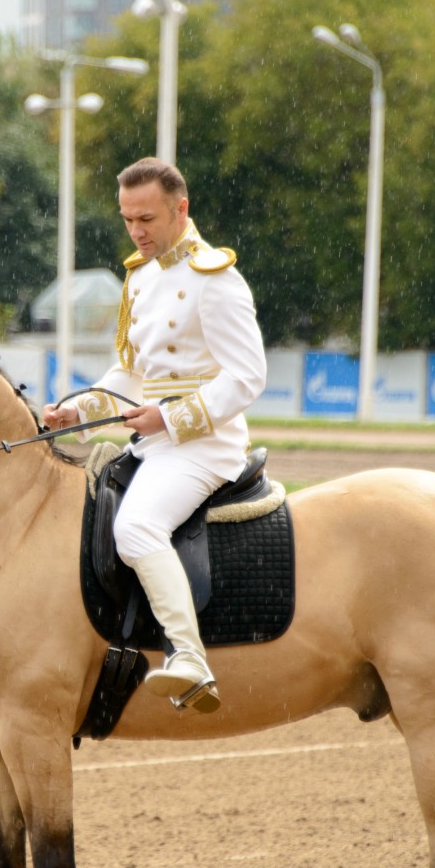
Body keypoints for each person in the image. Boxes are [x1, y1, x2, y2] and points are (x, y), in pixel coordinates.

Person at [43, 157, 265, 713]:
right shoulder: (139, 278)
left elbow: (247, 377)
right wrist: (79, 408)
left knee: (136, 527)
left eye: (147, 218)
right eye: (127, 220)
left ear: (180, 209)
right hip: (152, 443)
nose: (137, 232)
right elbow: (130, 374)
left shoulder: (216, 278)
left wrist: (169, 418)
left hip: (204, 447)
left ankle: (188, 658)